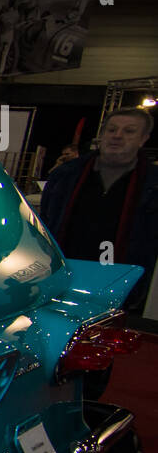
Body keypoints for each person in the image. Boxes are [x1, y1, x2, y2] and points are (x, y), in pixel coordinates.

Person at [39, 108, 156, 311]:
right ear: (102, 135)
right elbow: (46, 222)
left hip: (124, 278)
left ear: (143, 138)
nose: (117, 136)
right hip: (66, 271)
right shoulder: (66, 175)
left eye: (129, 131)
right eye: (111, 130)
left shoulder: (152, 184)